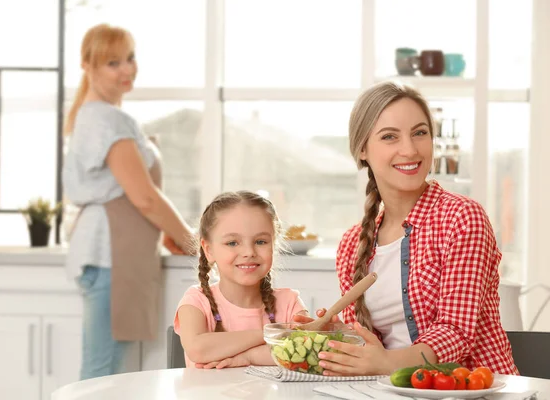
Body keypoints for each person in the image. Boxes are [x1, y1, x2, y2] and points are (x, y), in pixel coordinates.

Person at [296, 81, 518, 376]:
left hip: (474, 390)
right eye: (390, 137)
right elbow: (369, 348)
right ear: (362, 149)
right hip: (392, 390)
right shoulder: (352, 243)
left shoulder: (462, 218)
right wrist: (341, 335)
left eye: (420, 133)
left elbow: (456, 332)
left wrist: (387, 363)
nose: (410, 149)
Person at [62, 23, 195, 380]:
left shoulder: (96, 116)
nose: (127, 69)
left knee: (105, 370)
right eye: (113, 63)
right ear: (87, 67)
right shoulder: (107, 120)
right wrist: (194, 242)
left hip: (112, 255)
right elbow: (145, 198)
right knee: (102, 373)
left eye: (130, 59)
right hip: (111, 257)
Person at [174, 191, 308, 369]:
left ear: (274, 245)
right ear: (209, 250)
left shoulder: (289, 302)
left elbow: (303, 352)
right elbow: (198, 349)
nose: (248, 252)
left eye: (261, 242)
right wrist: (271, 335)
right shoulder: (196, 301)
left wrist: (249, 357)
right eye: (232, 243)